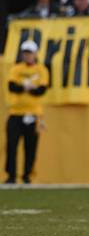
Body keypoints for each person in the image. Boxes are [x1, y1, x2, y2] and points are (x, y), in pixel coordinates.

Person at [5, 41, 49, 184]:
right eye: (25, 53)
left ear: (35, 53)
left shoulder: (41, 69)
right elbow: (12, 87)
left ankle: (27, 176)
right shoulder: (16, 68)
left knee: (30, 147)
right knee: (12, 145)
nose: (27, 55)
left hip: (33, 114)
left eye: (29, 53)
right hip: (15, 113)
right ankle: (11, 176)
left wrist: (25, 86)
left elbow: (41, 90)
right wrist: (27, 86)